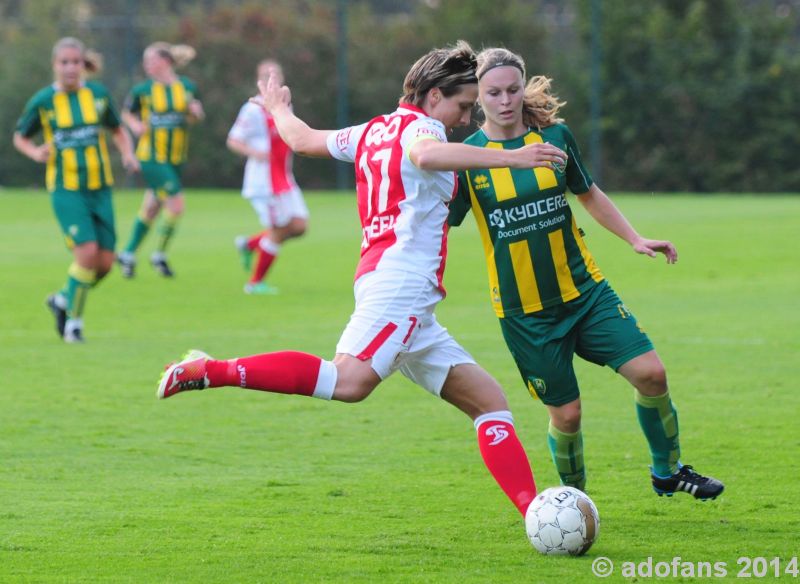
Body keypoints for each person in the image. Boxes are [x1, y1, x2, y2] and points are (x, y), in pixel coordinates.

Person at [158, 41, 569, 522]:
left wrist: (278, 109)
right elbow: (427, 153)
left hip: (391, 283)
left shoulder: (372, 130)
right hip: (402, 283)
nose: (465, 117)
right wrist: (513, 158)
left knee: (489, 404)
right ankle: (210, 369)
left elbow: (303, 140)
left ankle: (535, 514)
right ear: (435, 96)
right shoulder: (422, 130)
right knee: (348, 381)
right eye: (462, 106)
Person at [447, 47, 724, 500]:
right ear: (478, 95)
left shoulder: (555, 137)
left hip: (585, 292)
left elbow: (589, 193)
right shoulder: (468, 158)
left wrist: (634, 238)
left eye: (513, 89)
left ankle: (667, 471)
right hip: (525, 311)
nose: (505, 100)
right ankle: (575, 502)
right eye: (493, 92)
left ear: (523, 86)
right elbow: (441, 222)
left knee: (652, 374)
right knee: (568, 416)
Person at [13, 37, 139, 343]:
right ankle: (74, 324)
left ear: (84, 65)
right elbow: (20, 136)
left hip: (100, 188)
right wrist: (35, 152)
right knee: (87, 254)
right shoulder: (44, 100)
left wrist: (128, 153)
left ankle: (61, 299)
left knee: (105, 264)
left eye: (76, 62)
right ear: (55, 65)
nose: (71, 68)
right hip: (66, 189)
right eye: (64, 62)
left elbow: (117, 130)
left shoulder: (97, 95)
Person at [116, 42, 204, 278]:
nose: (147, 66)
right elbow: (125, 112)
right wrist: (135, 125)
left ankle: (127, 253)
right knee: (176, 205)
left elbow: (194, 117)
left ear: (165, 62)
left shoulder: (186, 87)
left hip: (176, 157)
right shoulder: (143, 91)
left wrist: (195, 113)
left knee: (152, 208)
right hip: (152, 157)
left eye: (151, 61)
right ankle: (160, 255)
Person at [227, 59, 309, 295]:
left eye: (276, 74)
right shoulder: (251, 109)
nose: (271, 79)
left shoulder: (284, 107)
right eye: (266, 75)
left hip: (284, 178)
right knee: (279, 229)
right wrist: (255, 152)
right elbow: (233, 140)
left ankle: (249, 244)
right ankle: (254, 283)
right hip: (264, 182)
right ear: (259, 81)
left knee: (299, 226)